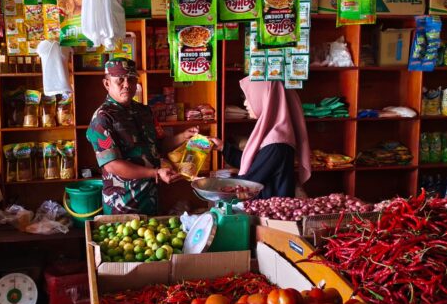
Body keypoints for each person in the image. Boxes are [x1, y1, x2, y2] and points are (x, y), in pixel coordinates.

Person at [86, 58, 199, 214]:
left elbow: (158, 146)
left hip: (150, 197)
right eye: (120, 80)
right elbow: (112, 164)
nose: (127, 85)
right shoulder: (102, 118)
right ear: (107, 84)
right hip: (122, 203)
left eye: (131, 80)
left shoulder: (144, 111)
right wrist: (155, 173)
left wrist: (183, 137)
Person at [209, 79, 311, 198]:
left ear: (266, 99)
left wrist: (214, 186)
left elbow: (249, 183)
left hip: (269, 212)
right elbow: (256, 163)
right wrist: (223, 147)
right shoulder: (274, 134)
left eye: (249, 98)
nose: (245, 103)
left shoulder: (276, 144)